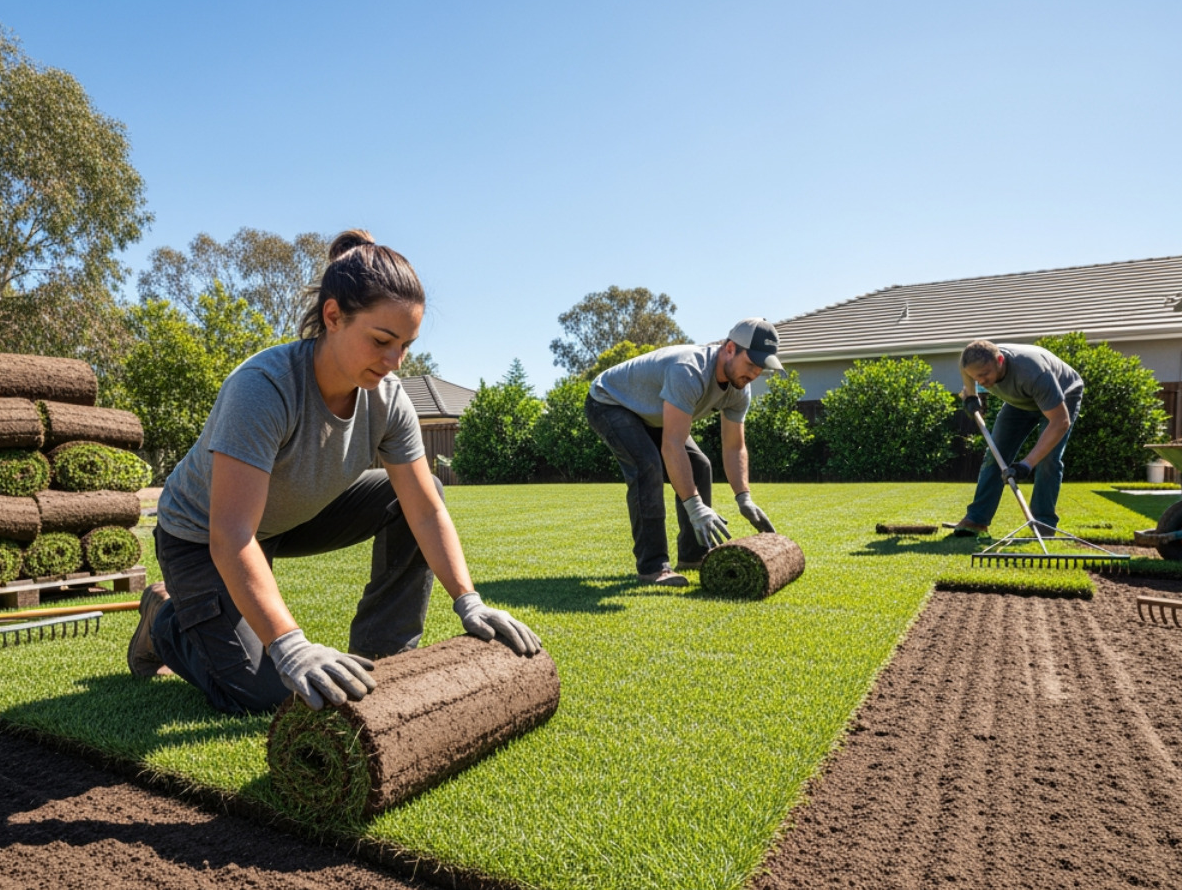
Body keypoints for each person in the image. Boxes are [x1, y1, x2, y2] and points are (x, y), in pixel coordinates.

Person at [126, 230, 541, 715]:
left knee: (417, 489)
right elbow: (231, 535)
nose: (394, 362)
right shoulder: (263, 388)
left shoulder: (388, 400)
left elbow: (424, 511)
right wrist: (290, 645)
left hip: (289, 519)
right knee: (268, 694)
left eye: (405, 345)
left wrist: (469, 601)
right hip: (201, 537)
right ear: (333, 317)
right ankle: (164, 620)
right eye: (382, 341)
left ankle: (384, 655)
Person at [584, 319, 782, 587]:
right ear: (730, 348)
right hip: (610, 402)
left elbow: (734, 446)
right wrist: (696, 508)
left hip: (652, 413)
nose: (755, 373)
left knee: (700, 466)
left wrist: (744, 498)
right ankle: (653, 567)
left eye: (760, 367)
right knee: (647, 466)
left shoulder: (739, 389)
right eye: (751, 364)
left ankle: (693, 555)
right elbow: (672, 446)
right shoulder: (689, 370)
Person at [951, 339, 1084, 536]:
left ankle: (1043, 524)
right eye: (976, 378)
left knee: (1049, 459)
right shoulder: (970, 364)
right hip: (1020, 402)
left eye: (985, 375)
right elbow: (966, 371)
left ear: (1000, 360)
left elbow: (1060, 422)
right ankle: (977, 520)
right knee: (995, 456)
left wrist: (1026, 464)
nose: (983, 382)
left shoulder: (1033, 372)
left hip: (1062, 397)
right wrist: (971, 395)